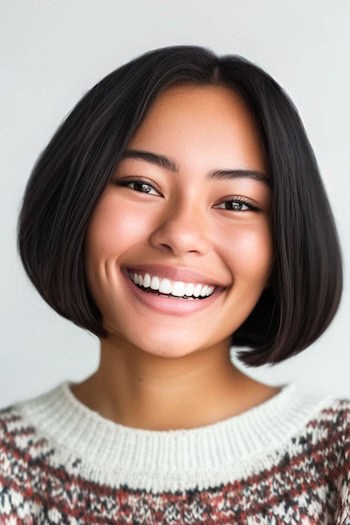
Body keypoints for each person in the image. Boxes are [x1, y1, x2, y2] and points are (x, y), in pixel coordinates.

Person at [0, 44, 348, 524]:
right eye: (141, 185)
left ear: (284, 243)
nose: (181, 236)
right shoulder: (7, 467)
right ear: (74, 202)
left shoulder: (339, 462)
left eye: (238, 203)